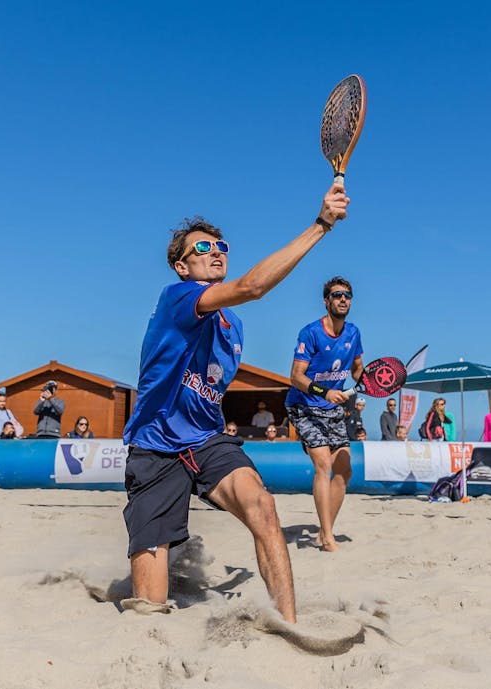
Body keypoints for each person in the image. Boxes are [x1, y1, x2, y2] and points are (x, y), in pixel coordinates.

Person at [122, 184, 347, 621]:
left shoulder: (233, 325)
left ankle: (288, 623)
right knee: (148, 607)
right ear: (181, 266)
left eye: (221, 246)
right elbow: (255, 285)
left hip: (206, 440)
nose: (216, 252)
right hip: (155, 445)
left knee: (263, 505)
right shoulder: (178, 297)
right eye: (202, 247)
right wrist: (321, 225)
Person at [285, 276, 364, 554]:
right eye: (337, 295)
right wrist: (324, 391)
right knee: (323, 463)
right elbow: (296, 376)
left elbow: (357, 370)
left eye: (347, 295)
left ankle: (322, 528)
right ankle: (328, 536)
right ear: (326, 301)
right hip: (304, 405)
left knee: (344, 469)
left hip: (333, 409)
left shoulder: (353, 333)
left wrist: (370, 380)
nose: (343, 299)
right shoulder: (310, 333)